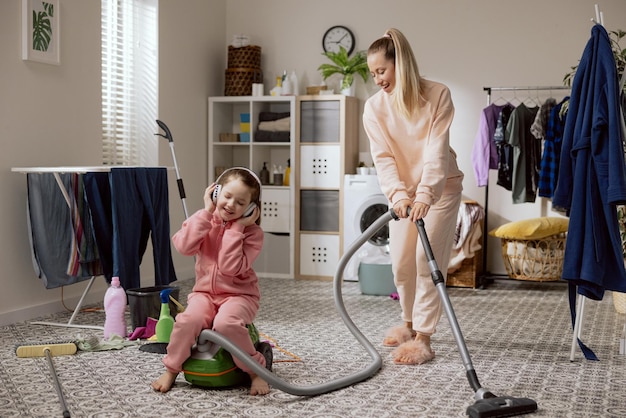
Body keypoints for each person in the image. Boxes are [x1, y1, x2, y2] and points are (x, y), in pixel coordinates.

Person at [363, 28, 464, 365]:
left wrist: (426, 193)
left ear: (400, 64)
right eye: (373, 73)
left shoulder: (438, 95)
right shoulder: (374, 108)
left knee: (426, 261)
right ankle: (407, 325)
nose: (377, 79)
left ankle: (423, 338)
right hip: (404, 196)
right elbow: (384, 158)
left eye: (381, 71)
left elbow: (436, 151)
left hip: (441, 188)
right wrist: (398, 195)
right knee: (402, 263)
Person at [151, 167, 270, 395]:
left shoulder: (252, 234)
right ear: (215, 193)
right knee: (187, 320)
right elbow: (184, 247)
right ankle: (171, 370)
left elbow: (229, 268)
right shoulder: (204, 220)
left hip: (239, 296)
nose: (231, 204)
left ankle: (255, 371)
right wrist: (206, 213)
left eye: (240, 202)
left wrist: (237, 229)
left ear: (251, 208)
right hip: (204, 294)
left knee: (225, 325)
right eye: (227, 196)